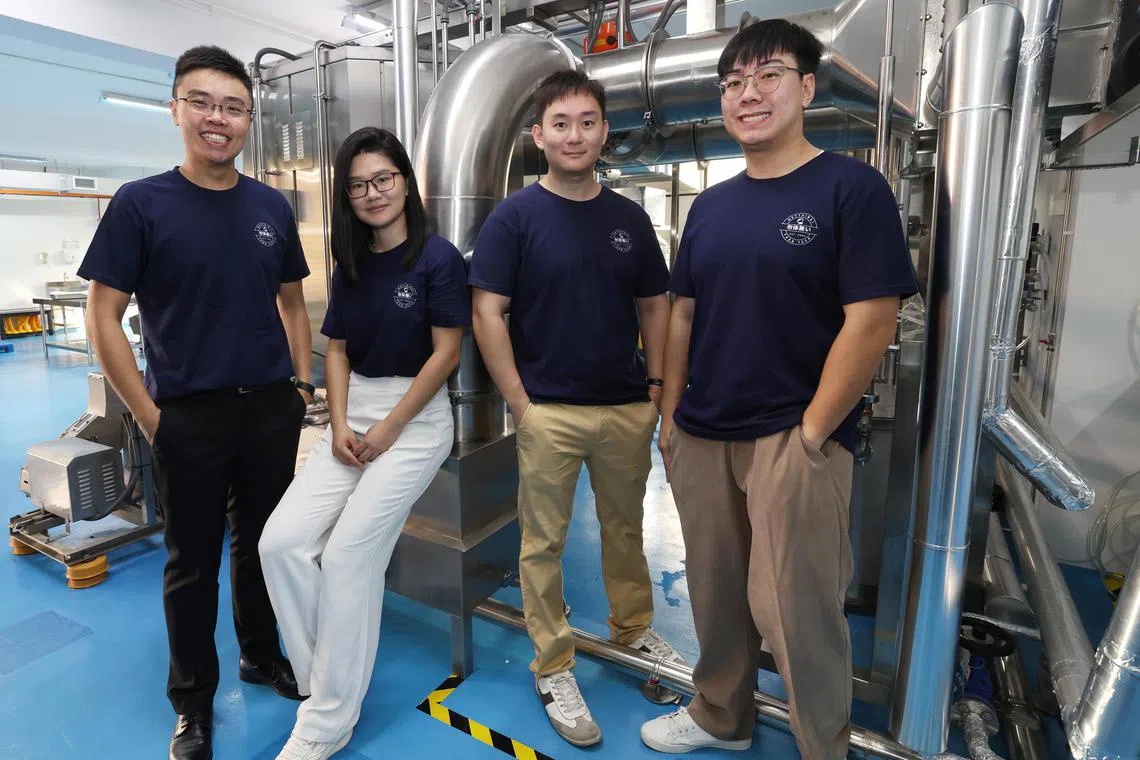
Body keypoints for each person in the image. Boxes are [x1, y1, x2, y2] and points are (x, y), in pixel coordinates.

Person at [639, 19, 918, 760]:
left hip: (792, 436)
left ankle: (820, 746)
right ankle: (719, 716)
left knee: (797, 610)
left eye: (766, 76)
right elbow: (684, 313)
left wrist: (814, 432)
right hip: (703, 432)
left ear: (804, 87)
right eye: (733, 83)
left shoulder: (851, 190)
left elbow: (872, 318)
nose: (747, 94)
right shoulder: (711, 206)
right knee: (716, 593)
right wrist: (670, 416)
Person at [80, 46, 313, 760]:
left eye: (234, 106)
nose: (219, 118)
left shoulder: (270, 205)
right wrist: (151, 417)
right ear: (177, 108)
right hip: (189, 416)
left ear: (249, 119)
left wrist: (300, 387)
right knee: (191, 564)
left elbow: (295, 304)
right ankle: (193, 704)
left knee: (261, 547)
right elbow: (102, 316)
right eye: (203, 102)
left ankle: (258, 652)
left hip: (270, 408)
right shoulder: (142, 204)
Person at [469, 70, 682, 748]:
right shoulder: (515, 219)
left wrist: (654, 389)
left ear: (603, 132)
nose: (574, 134)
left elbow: (656, 304)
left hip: (623, 408)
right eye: (560, 123)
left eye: (587, 121)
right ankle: (554, 665)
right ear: (539, 136)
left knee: (625, 531)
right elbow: (487, 312)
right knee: (544, 546)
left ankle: (632, 633)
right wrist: (520, 403)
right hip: (548, 413)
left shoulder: (626, 219)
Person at [259, 126, 468, 760]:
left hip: (416, 421)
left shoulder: (438, 258)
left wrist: (390, 426)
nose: (372, 193)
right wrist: (340, 423)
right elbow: (340, 350)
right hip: (353, 420)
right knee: (282, 543)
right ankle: (324, 676)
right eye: (357, 185)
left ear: (405, 181)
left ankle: (326, 721)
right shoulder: (349, 265)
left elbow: (447, 353)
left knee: (350, 557)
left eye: (382, 179)